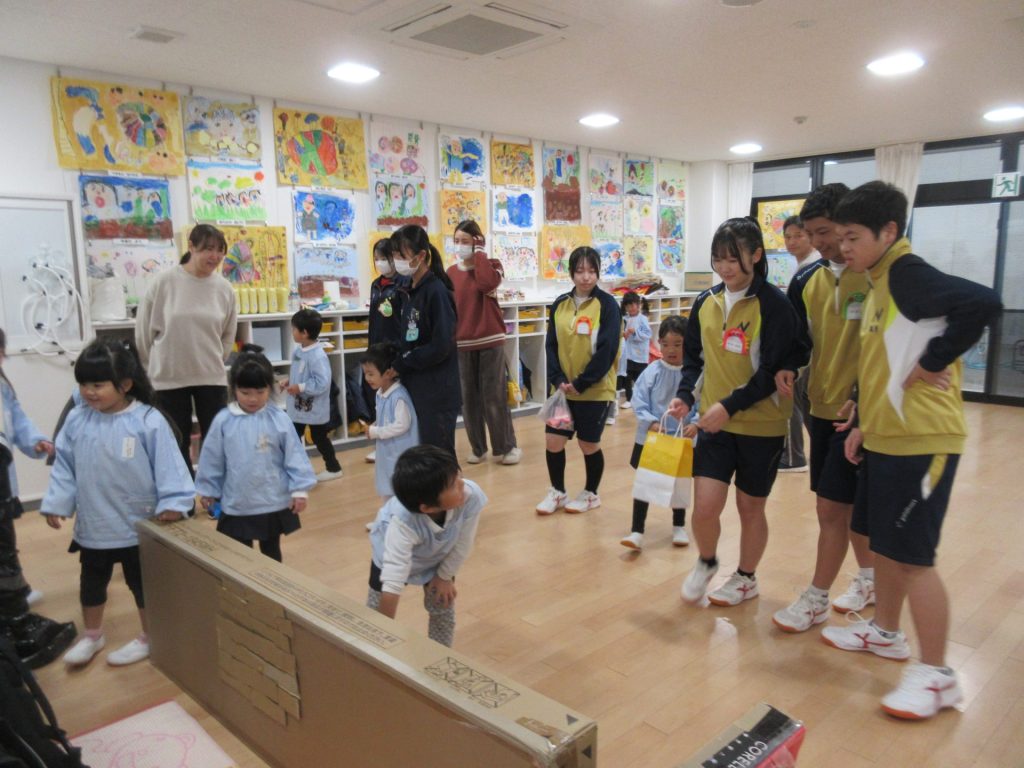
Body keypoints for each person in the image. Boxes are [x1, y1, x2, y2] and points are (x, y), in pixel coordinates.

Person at [820, 181, 1001, 720]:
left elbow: (984, 302)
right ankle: (885, 632)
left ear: (889, 232)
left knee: (913, 558)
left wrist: (936, 359)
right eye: (841, 237)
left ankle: (938, 674)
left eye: (853, 237)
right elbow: (886, 361)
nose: (844, 247)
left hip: (921, 441)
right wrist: (864, 420)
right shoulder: (878, 280)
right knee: (885, 546)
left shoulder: (906, 273)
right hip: (886, 437)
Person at [669, 218, 801, 606]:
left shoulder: (775, 305)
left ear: (756, 255)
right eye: (718, 259)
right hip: (714, 423)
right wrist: (686, 397)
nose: (725, 268)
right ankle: (707, 561)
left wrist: (728, 407)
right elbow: (694, 360)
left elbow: (771, 371)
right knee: (705, 507)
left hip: (762, 424)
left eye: (733, 258)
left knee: (750, 507)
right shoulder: (705, 302)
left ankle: (746, 577)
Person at [41, 338, 195, 667]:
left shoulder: (148, 420)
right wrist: (57, 502)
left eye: (98, 385)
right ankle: (92, 635)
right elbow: (64, 465)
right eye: (83, 384)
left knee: (142, 585)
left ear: (125, 385)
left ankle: (151, 636)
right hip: (95, 523)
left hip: (139, 522)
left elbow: (170, 464)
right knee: (91, 582)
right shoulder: (78, 420)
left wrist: (173, 501)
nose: (89, 392)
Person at [772, 185, 876, 633]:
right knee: (842, 505)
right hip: (820, 404)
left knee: (832, 508)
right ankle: (869, 578)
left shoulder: (874, 276)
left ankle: (816, 597)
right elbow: (799, 339)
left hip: (859, 412)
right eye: (810, 233)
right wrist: (788, 365)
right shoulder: (806, 280)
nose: (817, 242)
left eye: (824, 231)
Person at [196, 347, 316, 563]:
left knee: (271, 552)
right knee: (241, 556)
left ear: (270, 388)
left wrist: (300, 490)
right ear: (234, 388)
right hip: (238, 501)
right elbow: (212, 459)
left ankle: (273, 583)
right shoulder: (224, 421)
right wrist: (208, 490)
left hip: (272, 500)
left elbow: (295, 455)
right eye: (245, 393)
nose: (253, 399)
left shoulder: (278, 419)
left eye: (260, 392)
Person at [136, 224, 238, 473]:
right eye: (208, 249)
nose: (215, 256)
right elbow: (143, 333)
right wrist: (151, 367)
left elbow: (228, 335)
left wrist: (215, 358)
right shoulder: (164, 282)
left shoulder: (224, 288)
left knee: (216, 440)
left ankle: (215, 491)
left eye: (220, 250)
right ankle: (182, 492)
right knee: (175, 442)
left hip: (210, 375)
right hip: (168, 377)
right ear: (191, 247)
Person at [366, 445, 484, 647]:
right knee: (378, 607)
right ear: (427, 507)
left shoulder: (470, 496)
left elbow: (464, 543)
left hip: (439, 555)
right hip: (390, 556)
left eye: (459, 475)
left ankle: (441, 653)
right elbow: (394, 577)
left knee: (442, 604)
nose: (462, 484)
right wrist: (381, 637)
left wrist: (444, 576)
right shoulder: (402, 522)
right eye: (453, 485)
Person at [536, 247, 621, 515]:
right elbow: (551, 345)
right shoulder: (560, 304)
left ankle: (591, 494)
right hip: (563, 391)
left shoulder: (608, 305)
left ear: (598, 273)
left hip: (595, 391)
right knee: (553, 440)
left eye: (592, 271)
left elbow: (607, 350)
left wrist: (582, 382)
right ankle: (558, 492)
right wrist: (558, 379)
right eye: (580, 271)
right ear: (571, 273)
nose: (586, 277)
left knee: (588, 444)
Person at [447, 220, 521, 466]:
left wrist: (479, 253)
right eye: (457, 241)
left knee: (494, 396)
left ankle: (506, 446)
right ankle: (478, 448)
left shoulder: (492, 266)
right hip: (462, 342)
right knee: (468, 399)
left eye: (466, 241)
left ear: (478, 242)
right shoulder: (450, 273)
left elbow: (486, 283)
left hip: (490, 339)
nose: (460, 245)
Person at [620, 315, 697, 551]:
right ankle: (637, 530)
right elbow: (639, 399)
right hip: (653, 437)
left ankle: (678, 526)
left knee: (680, 483)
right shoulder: (652, 370)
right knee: (645, 482)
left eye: (678, 344)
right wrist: (650, 422)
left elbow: (704, 401)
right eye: (665, 344)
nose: (671, 350)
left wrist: (696, 423)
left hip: (682, 439)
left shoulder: (695, 374)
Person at [389, 225, 460, 456]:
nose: (397, 261)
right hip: (417, 384)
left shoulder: (436, 291)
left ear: (420, 256)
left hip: (437, 390)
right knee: (425, 455)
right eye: (395, 255)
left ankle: (455, 481)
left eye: (402, 255)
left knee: (440, 455)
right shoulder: (408, 290)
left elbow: (442, 345)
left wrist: (406, 361)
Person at [0, 329, 54, 606]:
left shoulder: (3, 387)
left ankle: (15, 590)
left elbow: (18, 421)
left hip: (2, 481)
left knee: (5, 537)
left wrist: (36, 442)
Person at [777, 215, 821, 473]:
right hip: (809, 350)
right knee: (806, 401)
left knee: (793, 398)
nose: (791, 241)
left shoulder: (810, 270)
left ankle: (793, 457)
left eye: (798, 236)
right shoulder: (803, 268)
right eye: (788, 236)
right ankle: (816, 452)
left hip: (807, 351)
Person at [285, 308, 342, 482]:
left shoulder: (317, 356)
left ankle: (334, 468)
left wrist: (300, 387)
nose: (292, 331)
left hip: (313, 406)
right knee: (293, 437)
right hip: (298, 406)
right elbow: (299, 373)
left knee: (319, 437)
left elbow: (322, 383)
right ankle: (294, 470)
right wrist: (288, 382)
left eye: (294, 329)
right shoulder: (298, 351)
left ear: (304, 333)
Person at [364, 238, 406, 463]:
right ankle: (380, 442)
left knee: (395, 399)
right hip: (377, 348)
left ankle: (397, 444)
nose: (380, 262)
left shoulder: (402, 283)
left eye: (384, 258)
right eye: (376, 259)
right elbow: (373, 319)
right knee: (378, 398)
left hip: (394, 349)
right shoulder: (375, 285)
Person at [362, 342, 419, 501]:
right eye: (365, 374)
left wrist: (376, 431)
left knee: (400, 489)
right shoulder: (380, 393)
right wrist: (374, 426)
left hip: (400, 453)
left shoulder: (398, 396)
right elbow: (384, 417)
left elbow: (402, 425)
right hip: (388, 451)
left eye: (371, 374)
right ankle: (387, 513)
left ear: (388, 373)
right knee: (387, 485)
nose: (367, 378)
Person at [618, 292, 651, 409]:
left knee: (640, 379)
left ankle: (643, 399)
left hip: (640, 356)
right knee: (627, 378)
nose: (631, 308)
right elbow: (622, 334)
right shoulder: (625, 319)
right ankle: (629, 399)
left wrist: (635, 332)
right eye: (628, 306)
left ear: (638, 305)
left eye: (633, 305)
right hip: (628, 355)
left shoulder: (642, 319)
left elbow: (647, 334)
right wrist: (624, 334)